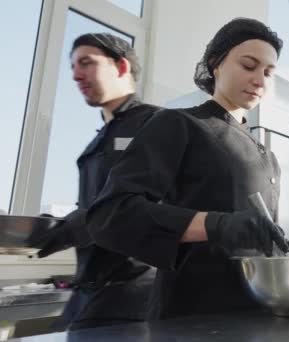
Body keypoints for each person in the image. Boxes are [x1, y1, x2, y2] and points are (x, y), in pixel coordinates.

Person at [86, 18, 289, 320]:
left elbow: (251, 238)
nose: (260, 81)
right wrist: (216, 225)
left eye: (268, 72)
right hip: (192, 315)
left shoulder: (267, 156)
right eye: (249, 66)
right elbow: (110, 216)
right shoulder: (178, 124)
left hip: (259, 314)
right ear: (216, 64)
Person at [30, 33, 160, 330]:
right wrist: (52, 226)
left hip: (131, 294)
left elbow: (150, 208)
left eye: (86, 63)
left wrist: (73, 227)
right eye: (73, 67)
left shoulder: (158, 123)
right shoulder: (99, 141)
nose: (76, 75)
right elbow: (96, 207)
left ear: (121, 67)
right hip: (88, 293)